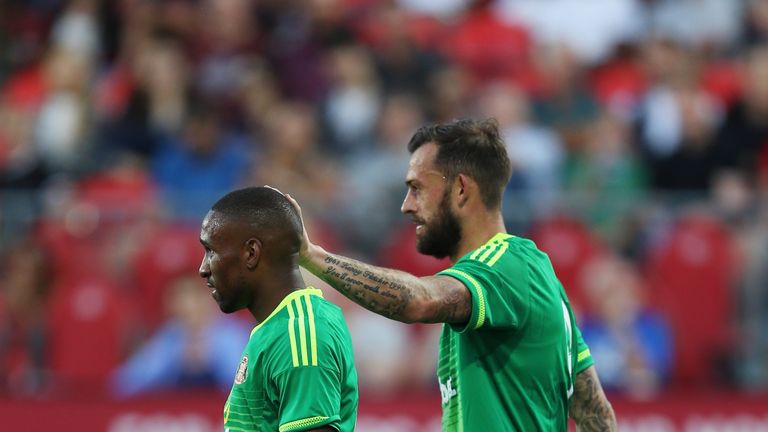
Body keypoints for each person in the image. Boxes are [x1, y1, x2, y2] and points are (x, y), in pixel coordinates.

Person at [283, 118, 617, 431]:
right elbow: (594, 411)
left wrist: (312, 256)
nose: (406, 205)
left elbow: (419, 301)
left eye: (417, 188)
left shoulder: (504, 265)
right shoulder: (529, 273)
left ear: (460, 189)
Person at [198, 187, 358, 432]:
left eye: (211, 251)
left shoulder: (301, 333)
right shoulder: (281, 327)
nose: (203, 268)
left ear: (251, 253)